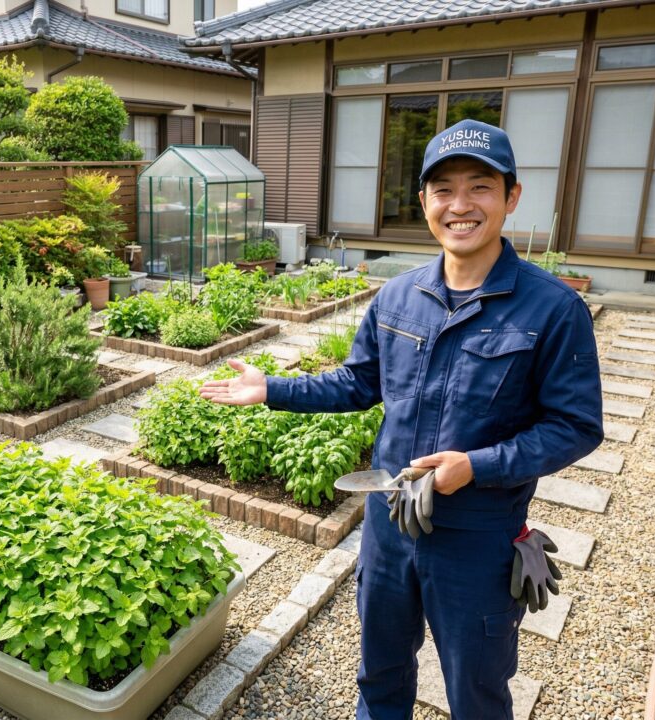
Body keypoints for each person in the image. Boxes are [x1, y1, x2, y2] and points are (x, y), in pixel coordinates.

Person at [198, 119, 604, 719]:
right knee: (381, 675)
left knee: (477, 693)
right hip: (389, 528)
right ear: (424, 202)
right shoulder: (397, 296)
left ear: (511, 197)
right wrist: (272, 389)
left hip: (479, 539)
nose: (459, 205)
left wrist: (477, 466)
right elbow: (360, 382)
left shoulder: (553, 309)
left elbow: (575, 425)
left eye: (480, 187)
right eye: (442, 189)